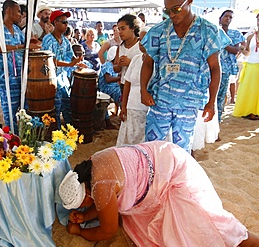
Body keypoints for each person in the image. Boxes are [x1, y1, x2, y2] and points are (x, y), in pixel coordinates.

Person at [59, 141, 259, 246]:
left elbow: (107, 230)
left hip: (173, 175)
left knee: (217, 228)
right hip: (163, 158)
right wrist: (86, 215)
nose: (84, 207)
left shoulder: (101, 188)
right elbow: (105, 203)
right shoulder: (93, 162)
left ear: (86, 194)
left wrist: (80, 231)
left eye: (83, 205)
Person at [140, 0, 227, 153]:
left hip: (189, 102)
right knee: (151, 147)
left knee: (182, 150)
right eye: (167, 11)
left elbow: (215, 67)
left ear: (190, 2)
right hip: (160, 99)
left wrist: (212, 101)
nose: (172, 14)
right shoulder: (158, 31)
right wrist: (143, 90)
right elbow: (148, 63)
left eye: (176, 9)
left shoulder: (208, 30)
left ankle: (177, 176)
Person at [0, 0, 41, 132]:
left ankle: (22, 139)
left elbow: (25, 45)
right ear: (9, 11)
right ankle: (11, 142)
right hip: (6, 77)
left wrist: (32, 42)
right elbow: (0, 48)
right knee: (10, 115)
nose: (20, 15)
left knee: (23, 111)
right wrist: (23, 46)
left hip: (20, 78)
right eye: (18, 11)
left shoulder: (17, 30)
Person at [41, 10, 82, 128]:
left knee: (67, 105)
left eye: (67, 22)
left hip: (63, 79)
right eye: (64, 22)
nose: (66, 25)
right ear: (55, 22)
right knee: (56, 108)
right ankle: (58, 133)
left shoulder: (65, 41)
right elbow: (49, 61)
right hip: (52, 79)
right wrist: (70, 64)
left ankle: (69, 132)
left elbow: (71, 56)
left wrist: (78, 62)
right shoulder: (48, 39)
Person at [117, 27, 150, 146]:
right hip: (132, 106)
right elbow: (127, 84)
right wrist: (124, 106)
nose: (141, 43)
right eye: (140, 40)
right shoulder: (136, 59)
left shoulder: (158, 62)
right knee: (128, 141)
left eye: (145, 40)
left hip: (147, 110)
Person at [217, 10, 245, 122]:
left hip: (225, 69)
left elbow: (235, 50)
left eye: (230, 17)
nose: (228, 18)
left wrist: (223, 43)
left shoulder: (235, 33)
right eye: (226, 16)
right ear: (220, 18)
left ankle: (217, 122)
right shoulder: (213, 30)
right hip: (208, 69)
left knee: (220, 97)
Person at [233, 14, 259, 119]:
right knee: (250, 89)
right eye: (258, 20)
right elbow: (248, 53)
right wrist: (242, 49)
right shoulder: (251, 36)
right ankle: (250, 111)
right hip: (251, 65)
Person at [113, 14, 142, 93]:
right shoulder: (120, 47)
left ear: (133, 28)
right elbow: (115, 69)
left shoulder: (141, 45)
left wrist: (131, 63)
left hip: (137, 86)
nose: (120, 32)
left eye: (123, 29)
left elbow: (147, 67)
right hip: (123, 84)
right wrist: (119, 65)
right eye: (119, 29)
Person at [98, 46, 121, 122]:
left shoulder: (116, 66)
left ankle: (119, 113)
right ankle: (108, 121)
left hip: (113, 87)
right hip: (106, 88)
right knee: (121, 95)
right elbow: (108, 79)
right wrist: (120, 78)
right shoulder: (107, 65)